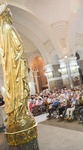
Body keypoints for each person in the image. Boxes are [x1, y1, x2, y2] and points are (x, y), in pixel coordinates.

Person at [0, 2, 35, 132]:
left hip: (10, 68)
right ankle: (19, 115)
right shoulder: (8, 29)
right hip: (15, 65)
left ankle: (17, 115)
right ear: (5, 14)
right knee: (19, 87)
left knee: (14, 90)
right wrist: (23, 62)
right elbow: (18, 49)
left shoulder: (2, 31)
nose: (11, 15)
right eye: (9, 13)